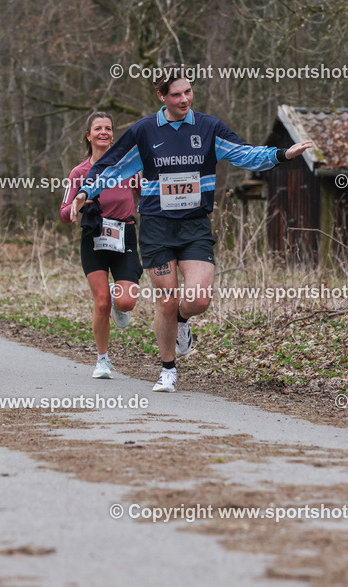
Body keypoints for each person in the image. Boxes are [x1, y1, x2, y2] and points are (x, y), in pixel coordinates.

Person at [70, 68, 313, 392]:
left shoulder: (208, 127)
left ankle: (183, 322)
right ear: (162, 97)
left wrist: (282, 154)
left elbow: (244, 153)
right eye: (176, 94)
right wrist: (85, 193)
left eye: (188, 92)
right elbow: (112, 166)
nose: (184, 99)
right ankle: (167, 370)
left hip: (195, 224)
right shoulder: (144, 131)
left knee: (198, 299)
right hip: (156, 226)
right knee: (166, 300)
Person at [60, 112, 141, 378]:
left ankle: (120, 300)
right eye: (98, 128)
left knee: (126, 301)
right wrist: (74, 207)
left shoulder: (128, 168)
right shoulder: (79, 172)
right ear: (88, 135)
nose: (103, 132)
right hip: (93, 238)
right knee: (102, 303)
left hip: (125, 234)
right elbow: (63, 212)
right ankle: (102, 360)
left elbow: (148, 194)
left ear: (113, 135)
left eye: (108, 128)